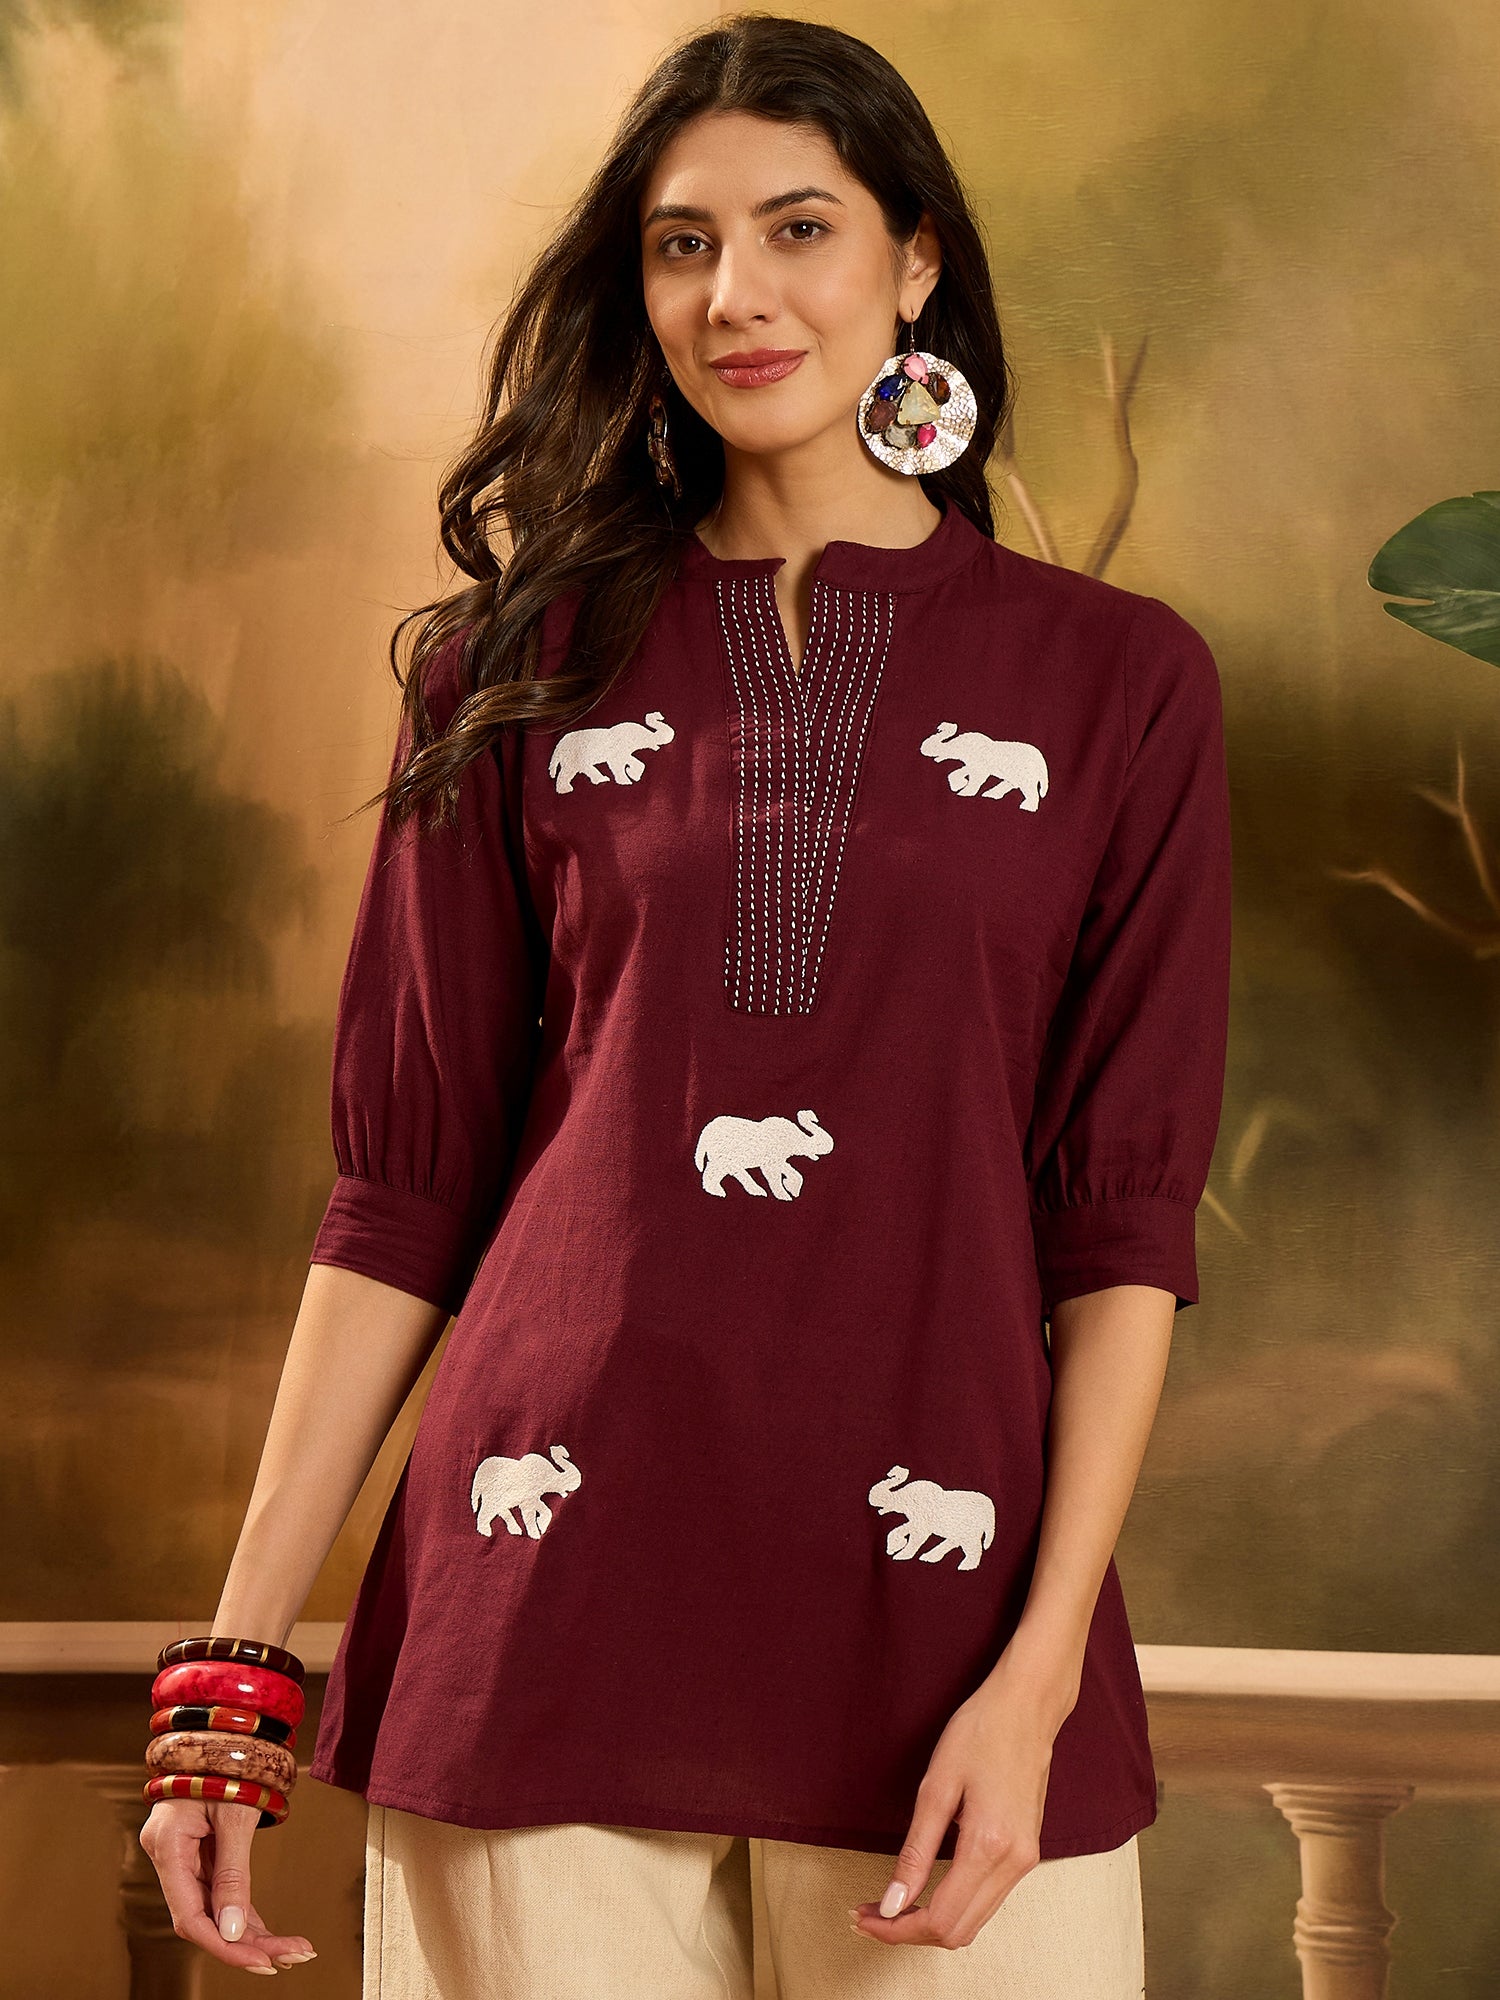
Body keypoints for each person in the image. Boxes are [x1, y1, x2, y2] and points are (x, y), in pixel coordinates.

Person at [139, 14, 1232, 1995]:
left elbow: (1121, 1226)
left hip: (941, 1631)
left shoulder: (1118, 684)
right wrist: (235, 1669)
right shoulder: (514, 669)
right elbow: (402, 1196)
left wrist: (1042, 1671)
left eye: (799, 228)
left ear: (914, 259)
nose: (735, 294)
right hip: (536, 1605)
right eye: (680, 244)